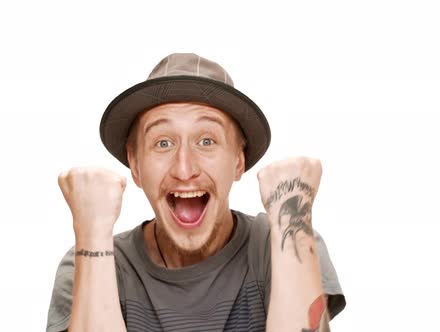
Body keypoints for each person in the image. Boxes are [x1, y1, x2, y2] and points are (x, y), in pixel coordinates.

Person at [46, 53, 346, 332]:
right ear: (135, 165)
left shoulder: (282, 241)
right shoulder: (90, 262)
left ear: (239, 162)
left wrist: (291, 215)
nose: (184, 168)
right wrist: (92, 230)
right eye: (163, 143)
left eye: (206, 141)